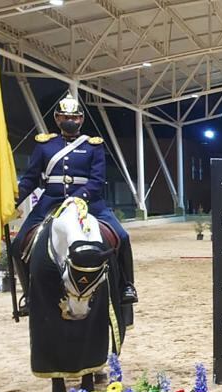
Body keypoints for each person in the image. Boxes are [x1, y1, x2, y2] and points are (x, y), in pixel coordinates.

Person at [14, 91, 137, 305]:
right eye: (66, 117)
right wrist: (10, 201)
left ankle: (126, 285)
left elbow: (97, 181)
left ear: (81, 119)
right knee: (18, 244)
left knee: (122, 237)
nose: (71, 121)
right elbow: (31, 179)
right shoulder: (45, 145)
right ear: (57, 119)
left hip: (90, 202)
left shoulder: (93, 145)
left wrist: (76, 199)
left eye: (75, 117)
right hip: (50, 201)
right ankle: (29, 293)